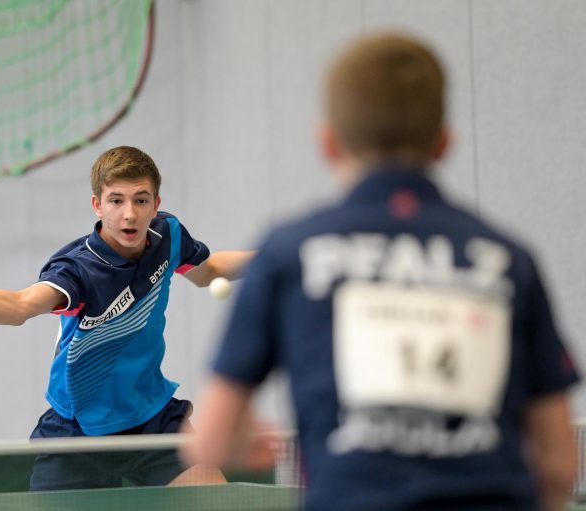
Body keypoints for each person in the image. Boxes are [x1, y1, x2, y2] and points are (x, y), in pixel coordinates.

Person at [183, 33, 580, 511]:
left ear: (328, 143)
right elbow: (559, 465)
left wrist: (243, 439)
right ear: (443, 143)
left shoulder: (288, 253)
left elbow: (211, 442)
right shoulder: (509, 260)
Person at [0, 146, 252, 489]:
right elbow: (21, 305)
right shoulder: (77, 270)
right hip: (79, 432)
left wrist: (272, 259)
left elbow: (209, 271)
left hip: (150, 418)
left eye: (140, 200)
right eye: (116, 200)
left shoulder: (168, 236)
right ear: (97, 205)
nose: (129, 214)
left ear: (156, 204)